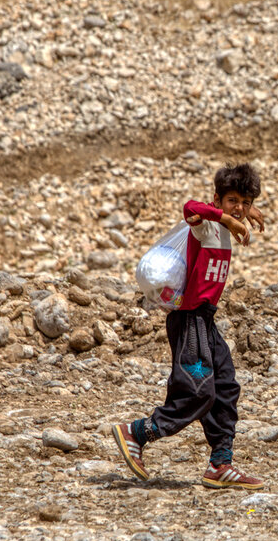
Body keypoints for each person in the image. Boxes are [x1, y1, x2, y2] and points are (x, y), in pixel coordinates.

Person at [112, 162, 267, 489]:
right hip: (189, 320)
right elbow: (190, 207)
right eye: (232, 201)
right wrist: (226, 217)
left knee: (225, 387)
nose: (239, 209)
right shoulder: (206, 226)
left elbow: (232, 211)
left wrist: (241, 213)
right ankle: (137, 433)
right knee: (198, 391)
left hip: (206, 319)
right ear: (217, 200)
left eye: (245, 202)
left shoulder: (225, 226)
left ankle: (220, 464)